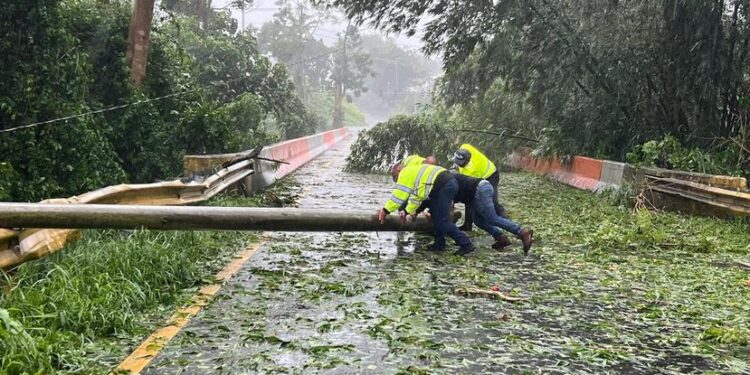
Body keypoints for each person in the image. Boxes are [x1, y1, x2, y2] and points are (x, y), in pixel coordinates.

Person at [377, 163, 476, 255]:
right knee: (435, 214)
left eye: (395, 177)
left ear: (399, 171)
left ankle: (466, 243)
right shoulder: (414, 172)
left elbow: (399, 196)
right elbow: (418, 197)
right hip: (444, 184)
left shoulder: (405, 173)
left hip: (443, 186)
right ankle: (439, 244)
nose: (396, 180)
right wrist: (408, 211)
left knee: (442, 221)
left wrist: (385, 210)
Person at [452, 172, 534, 255]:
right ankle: (500, 237)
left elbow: (450, 206)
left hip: (480, 189)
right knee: (478, 221)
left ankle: (521, 232)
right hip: (475, 193)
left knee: (492, 218)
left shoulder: (445, 182)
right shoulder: (445, 179)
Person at [453, 143, 506, 231]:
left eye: (461, 163)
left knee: (492, 202)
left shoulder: (473, 169)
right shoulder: (465, 147)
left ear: (467, 160)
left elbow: (473, 186)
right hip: (480, 178)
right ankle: (467, 225)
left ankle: (505, 219)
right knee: (468, 202)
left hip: (491, 176)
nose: (459, 165)